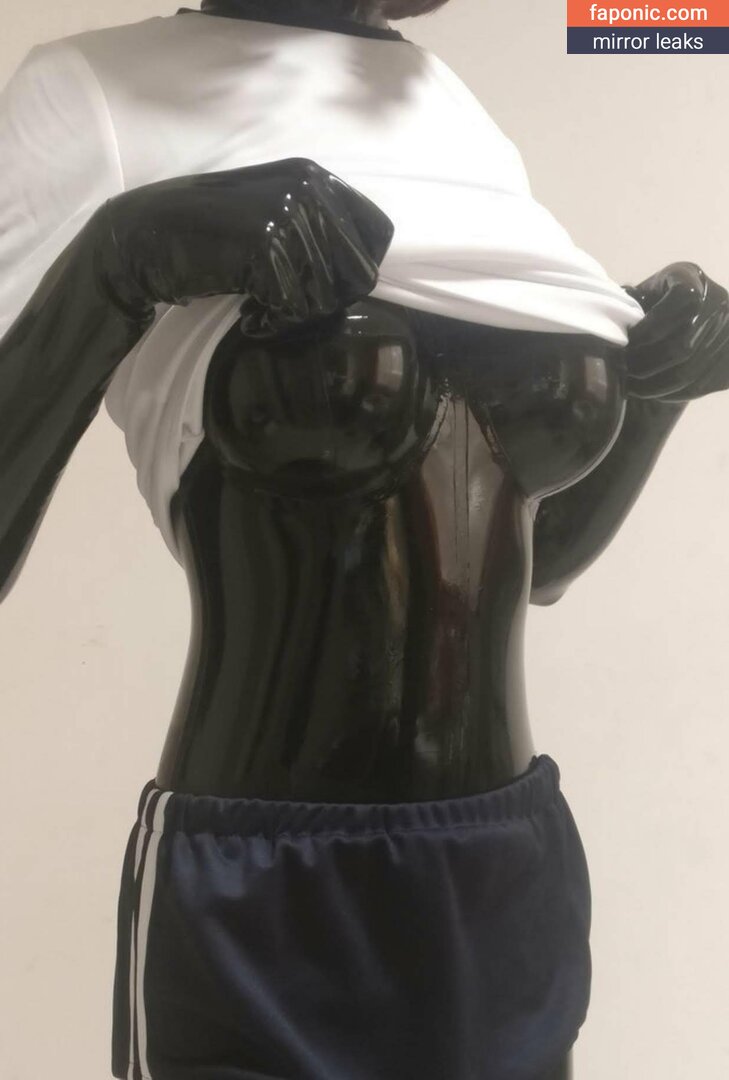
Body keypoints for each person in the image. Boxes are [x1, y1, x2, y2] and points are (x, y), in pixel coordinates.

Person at [2, 3, 728, 1079]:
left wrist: (658, 392)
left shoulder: (450, 109)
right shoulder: (94, 98)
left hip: (503, 861)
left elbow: (534, 555)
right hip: (267, 877)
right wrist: (124, 258)